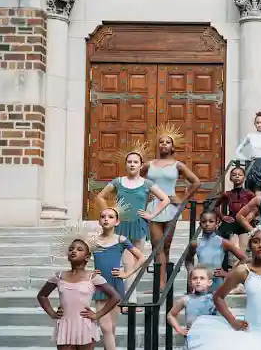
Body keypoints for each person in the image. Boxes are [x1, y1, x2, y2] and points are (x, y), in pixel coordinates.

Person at [36, 223, 121, 350]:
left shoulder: (94, 277)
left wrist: (98, 314)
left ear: (87, 256)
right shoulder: (59, 276)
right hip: (65, 328)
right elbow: (42, 296)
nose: (74, 251)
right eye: (71, 249)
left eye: (79, 249)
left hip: (86, 327)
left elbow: (115, 296)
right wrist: (52, 313)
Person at [95, 140, 170, 300]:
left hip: (139, 226)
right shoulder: (118, 182)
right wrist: (109, 211)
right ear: (125, 164)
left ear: (141, 165)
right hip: (122, 226)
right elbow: (100, 196)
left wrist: (151, 215)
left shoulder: (146, 183)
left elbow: (165, 199)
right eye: (129, 162)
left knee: (136, 262)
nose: (132, 164)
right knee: (127, 263)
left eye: (135, 162)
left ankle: (128, 296)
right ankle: (130, 299)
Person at [141, 124, 201, 293]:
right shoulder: (149, 165)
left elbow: (196, 182)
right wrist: (144, 197)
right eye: (161, 142)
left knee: (166, 247)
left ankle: (165, 282)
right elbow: (137, 181)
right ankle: (160, 285)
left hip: (171, 208)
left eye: (167, 142)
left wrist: (182, 199)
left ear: (172, 146)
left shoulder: (178, 165)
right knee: (157, 246)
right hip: (154, 207)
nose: (164, 145)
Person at [91, 203, 145, 350]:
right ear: (99, 221)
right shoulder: (93, 241)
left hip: (115, 284)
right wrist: (90, 273)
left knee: (111, 327)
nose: (106, 219)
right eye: (103, 216)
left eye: (110, 217)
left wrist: (126, 273)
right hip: (100, 285)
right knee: (105, 326)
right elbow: (80, 261)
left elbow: (141, 257)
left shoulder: (121, 240)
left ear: (117, 221)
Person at [185, 210, 247, 292]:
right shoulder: (196, 243)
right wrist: (191, 272)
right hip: (201, 282)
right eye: (204, 222)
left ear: (217, 223)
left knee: (216, 302)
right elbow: (188, 260)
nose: (207, 224)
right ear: (200, 224)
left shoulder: (223, 242)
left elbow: (244, 258)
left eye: (211, 221)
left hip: (217, 282)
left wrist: (228, 273)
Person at [215, 166, 256, 263]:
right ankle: (233, 274)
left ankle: (239, 274)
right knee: (234, 252)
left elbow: (257, 207)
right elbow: (216, 206)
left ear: (244, 178)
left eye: (240, 175)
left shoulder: (249, 193)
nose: (237, 176)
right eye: (234, 175)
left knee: (242, 252)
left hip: (244, 223)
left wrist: (252, 215)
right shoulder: (227, 194)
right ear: (230, 178)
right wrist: (222, 216)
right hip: (232, 223)